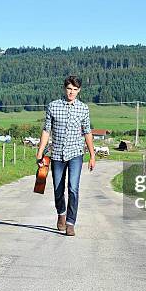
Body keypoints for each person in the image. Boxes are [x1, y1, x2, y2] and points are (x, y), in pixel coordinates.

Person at [36, 75, 95, 236]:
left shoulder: (83, 108)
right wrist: (40, 152)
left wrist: (92, 155)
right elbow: (47, 130)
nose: (71, 92)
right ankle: (61, 213)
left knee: (73, 188)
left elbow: (87, 132)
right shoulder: (53, 106)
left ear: (79, 91)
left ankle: (70, 223)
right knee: (58, 189)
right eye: (69, 89)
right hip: (57, 154)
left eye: (75, 90)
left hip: (76, 153)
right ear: (64, 88)